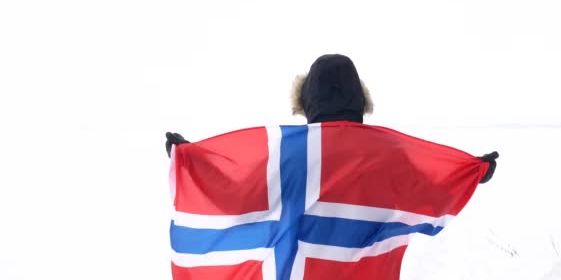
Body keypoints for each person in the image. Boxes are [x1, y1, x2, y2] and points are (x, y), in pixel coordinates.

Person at [165, 53, 498, 183]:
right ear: (359, 98)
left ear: (306, 100)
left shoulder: (289, 154)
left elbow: (240, 192)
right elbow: (427, 189)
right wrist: (473, 173)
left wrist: (192, 160)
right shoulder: (387, 153)